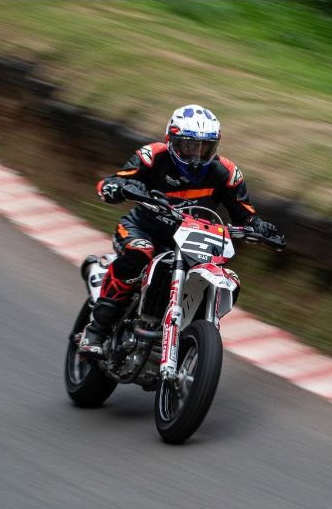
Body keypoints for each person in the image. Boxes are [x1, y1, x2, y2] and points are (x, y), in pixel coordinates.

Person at [78, 104, 283, 357]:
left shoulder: (226, 172)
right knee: (140, 252)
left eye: (204, 148)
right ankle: (96, 330)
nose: (196, 155)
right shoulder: (152, 156)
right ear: (172, 140)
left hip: (191, 242)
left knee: (216, 272)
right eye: (188, 146)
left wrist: (260, 228)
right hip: (143, 229)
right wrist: (118, 188)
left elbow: (245, 213)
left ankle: (189, 334)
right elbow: (116, 180)